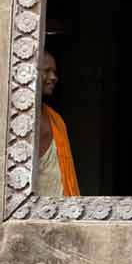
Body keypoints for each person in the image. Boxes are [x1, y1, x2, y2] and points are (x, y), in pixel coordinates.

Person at [34, 50, 79, 197]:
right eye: (47, 71)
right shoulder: (18, 120)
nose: (53, 77)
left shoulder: (56, 120)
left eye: (54, 72)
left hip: (61, 209)